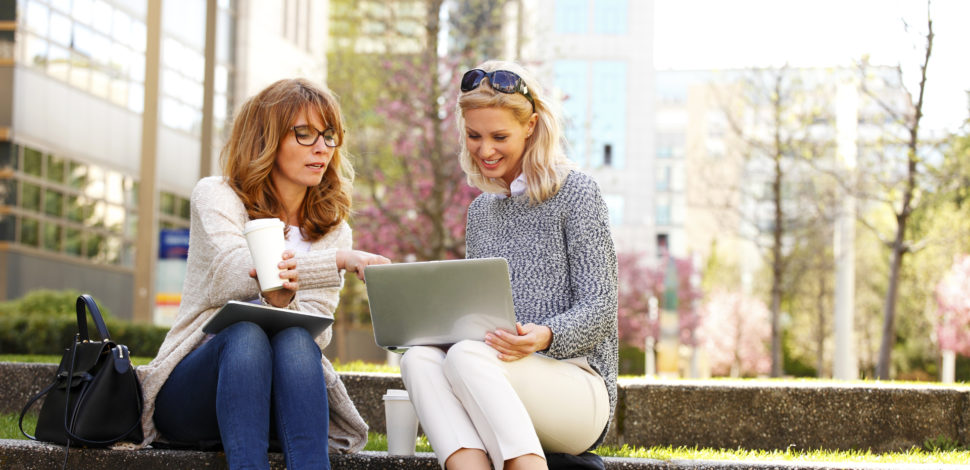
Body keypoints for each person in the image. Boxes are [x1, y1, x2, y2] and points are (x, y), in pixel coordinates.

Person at [134, 78, 390, 469]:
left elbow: (316, 328)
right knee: (245, 334)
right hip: (196, 392)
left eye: (329, 135)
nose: (321, 147)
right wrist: (334, 262)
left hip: (278, 400)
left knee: (295, 339)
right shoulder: (218, 195)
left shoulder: (332, 228)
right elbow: (229, 276)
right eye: (303, 134)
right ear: (265, 140)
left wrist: (289, 289)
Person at [399, 60, 618, 470]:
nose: (485, 150)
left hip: (577, 389)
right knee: (419, 359)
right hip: (491, 371)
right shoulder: (482, 212)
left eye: (499, 136)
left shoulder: (577, 193)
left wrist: (546, 336)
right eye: (474, 136)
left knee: (465, 356)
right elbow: (476, 313)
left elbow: (601, 309)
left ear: (531, 126)